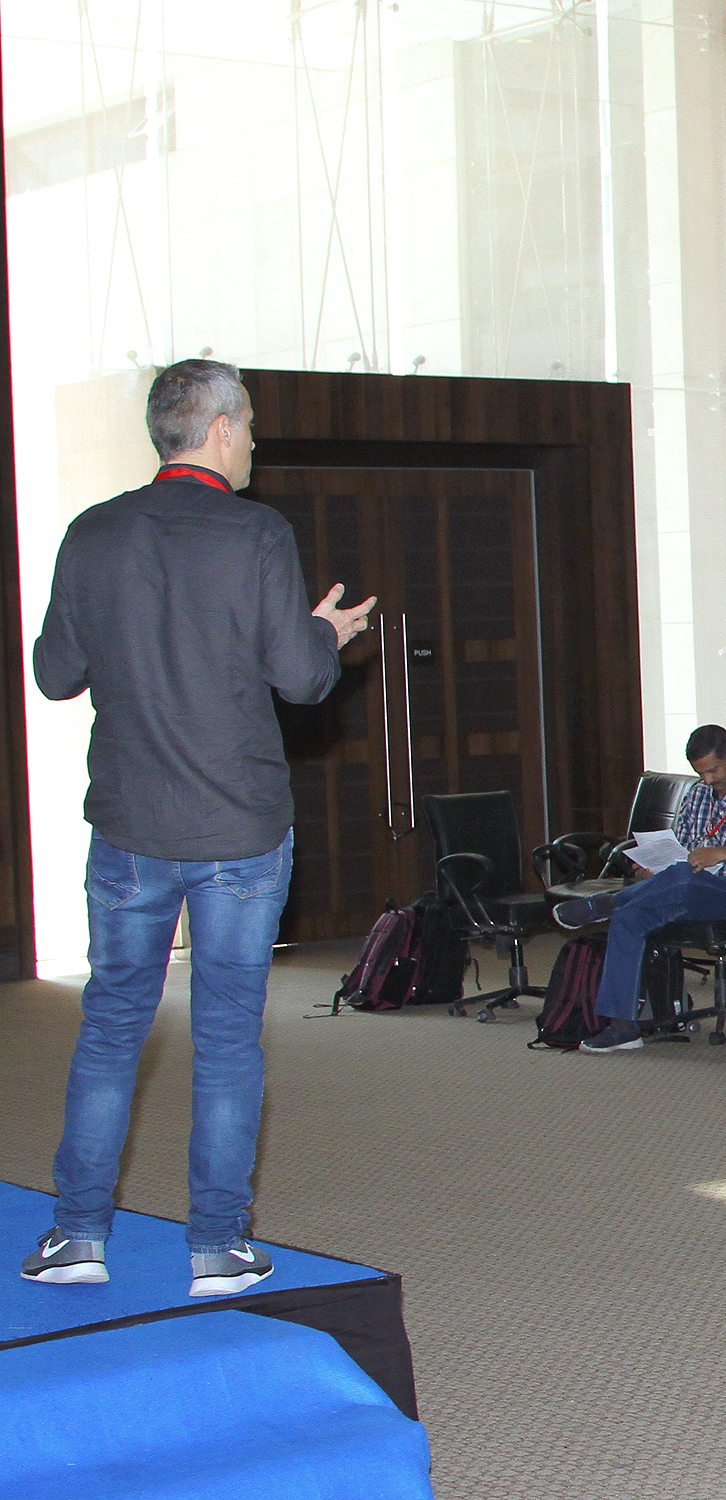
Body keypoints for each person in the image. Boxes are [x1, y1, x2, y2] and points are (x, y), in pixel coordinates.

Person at [22, 359, 374, 1296]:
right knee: (225, 1038)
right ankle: (217, 1248)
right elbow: (301, 678)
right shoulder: (256, 533)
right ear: (219, 429)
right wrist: (324, 634)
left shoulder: (92, 533)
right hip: (239, 832)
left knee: (111, 1029)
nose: (254, 439)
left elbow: (54, 674)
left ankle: (77, 1236)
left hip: (130, 827)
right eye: (249, 422)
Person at [553, 725, 726, 1052]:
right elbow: (679, 847)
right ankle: (623, 1027)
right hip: (687, 889)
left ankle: (606, 903)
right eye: (700, 773)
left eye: (713, 770)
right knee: (629, 917)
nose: (707, 779)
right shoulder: (697, 795)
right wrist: (654, 868)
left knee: (682, 877)